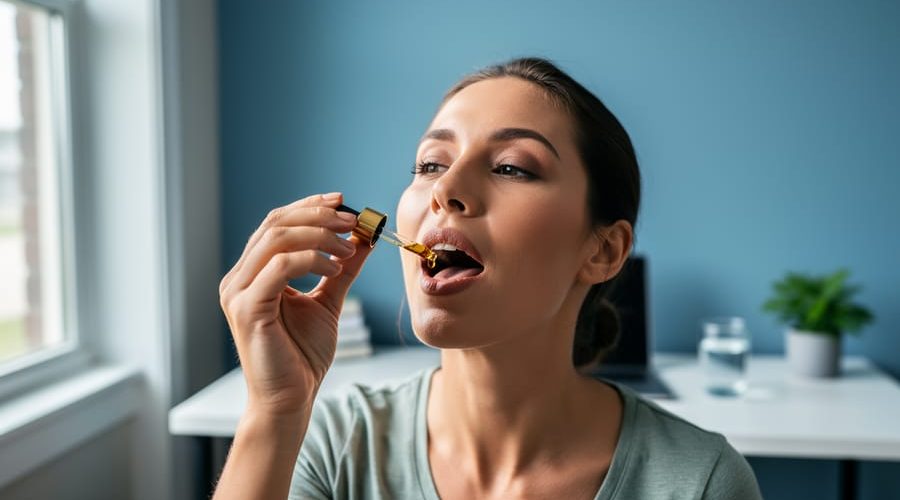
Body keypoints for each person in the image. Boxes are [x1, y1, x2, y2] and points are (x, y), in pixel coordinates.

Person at [213, 57, 762, 499]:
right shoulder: (334, 445)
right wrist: (275, 409)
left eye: (510, 167)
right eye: (431, 163)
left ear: (603, 250)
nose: (444, 188)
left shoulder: (699, 481)